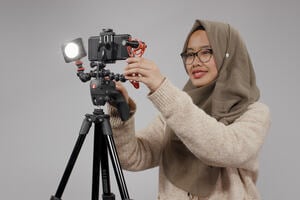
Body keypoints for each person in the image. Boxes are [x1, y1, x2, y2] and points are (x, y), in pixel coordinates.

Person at [108, 19, 271, 200]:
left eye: (207, 52)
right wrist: (118, 110)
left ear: (228, 55)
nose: (195, 62)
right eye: (190, 54)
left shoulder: (254, 112)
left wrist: (162, 88)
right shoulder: (174, 110)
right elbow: (132, 157)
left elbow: (224, 148)